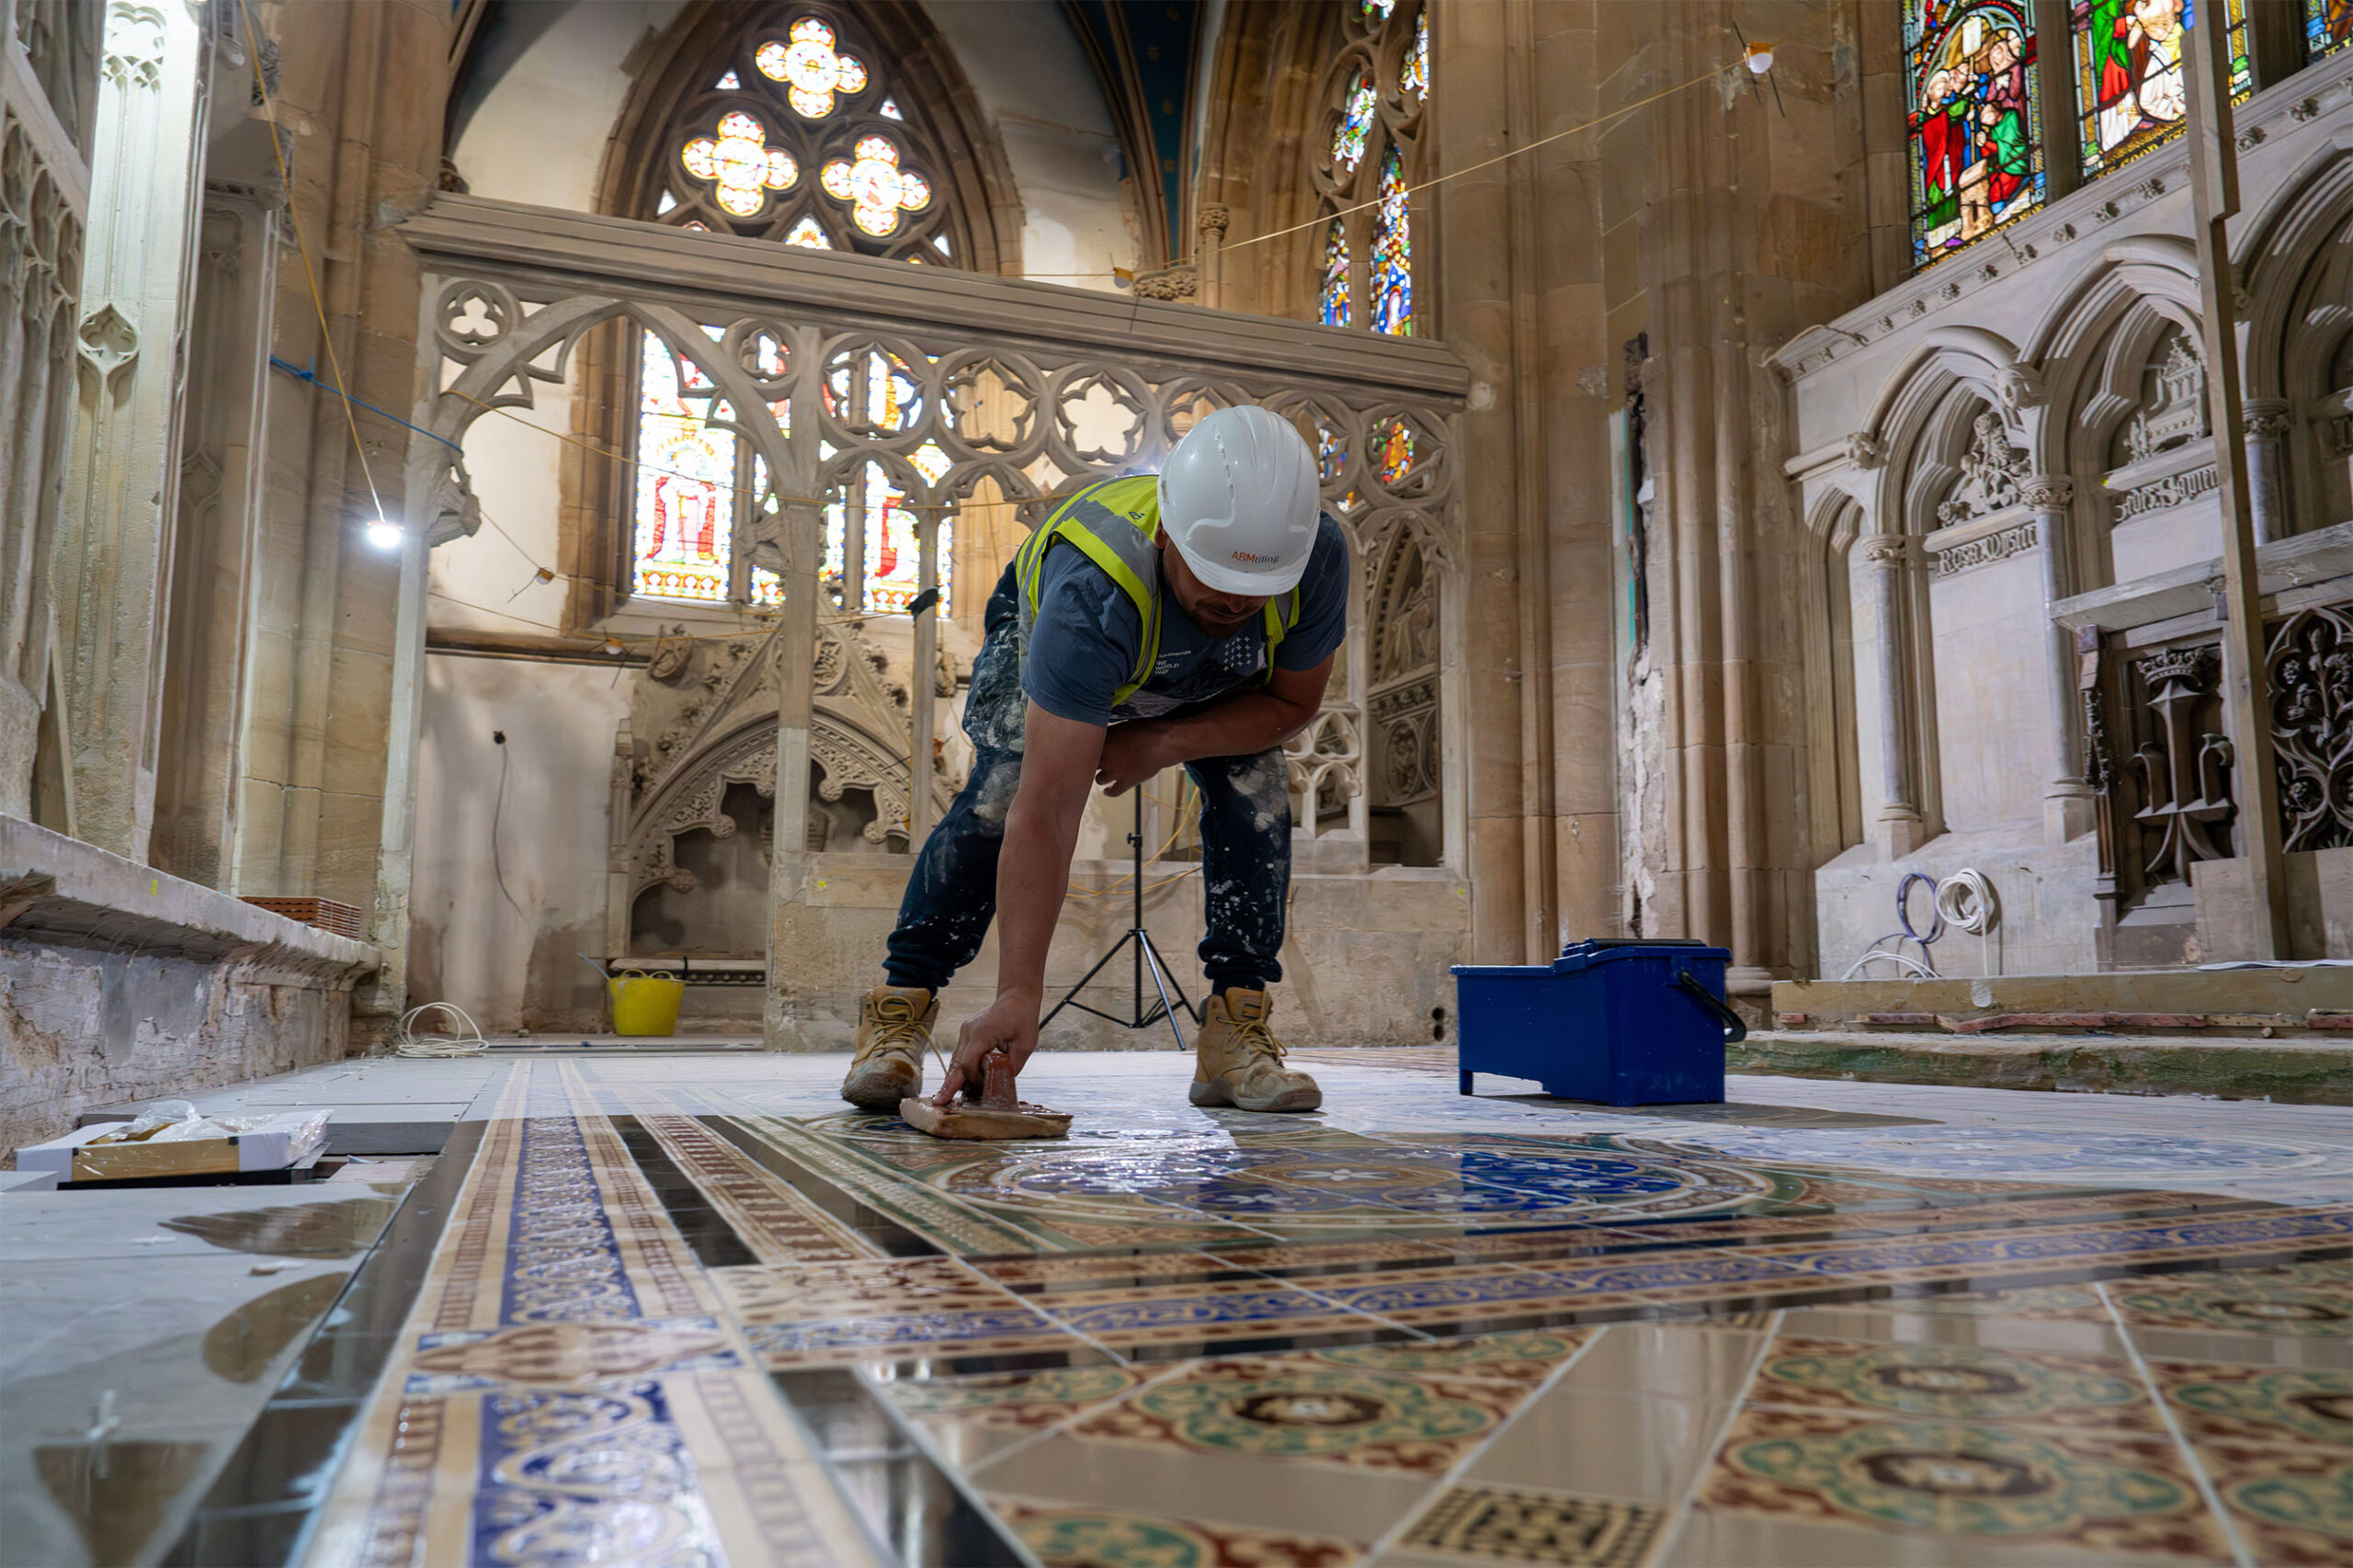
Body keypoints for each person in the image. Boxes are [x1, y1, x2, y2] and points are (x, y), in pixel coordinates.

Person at [841, 405, 1348, 1115]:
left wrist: (1163, 741)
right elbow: (1047, 811)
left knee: (1256, 788)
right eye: (1214, 578)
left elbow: (1291, 708)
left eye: (1255, 590)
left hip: (1213, 673)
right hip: (1067, 623)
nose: (1235, 599)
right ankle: (900, 1007)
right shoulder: (1091, 594)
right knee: (1002, 794)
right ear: (1169, 535)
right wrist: (1020, 992)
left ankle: (1234, 1031)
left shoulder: (1313, 555)